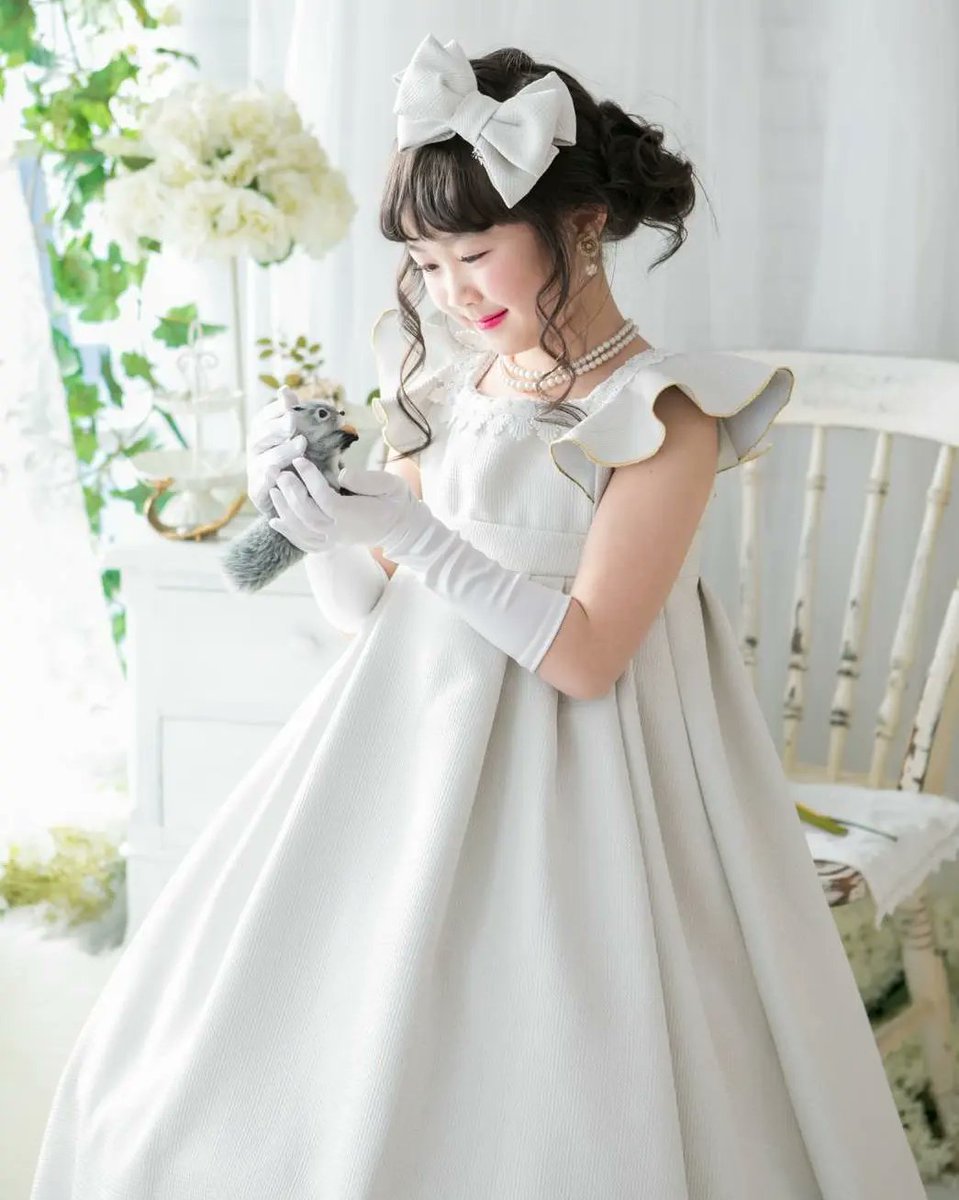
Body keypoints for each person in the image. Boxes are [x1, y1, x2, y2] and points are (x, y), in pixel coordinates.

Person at [30, 32, 927, 1200]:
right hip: (409, 749)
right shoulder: (448, 385)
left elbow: (588, 657)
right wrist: (320, 527)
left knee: (540, 1067)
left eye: (473, 252)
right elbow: (373, 618)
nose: (450, 291)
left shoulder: (665, 414)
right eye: (425, 261)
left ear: (581, 225)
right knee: (242, 1045)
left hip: (592, 784)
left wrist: (412, 533)